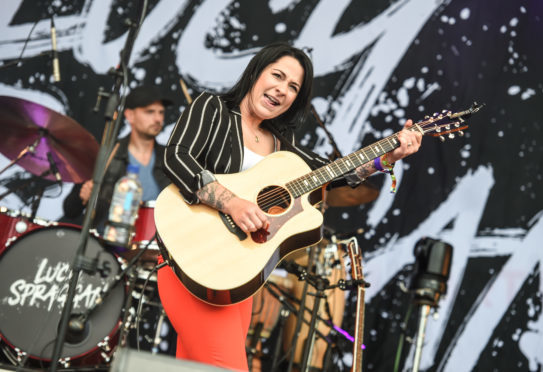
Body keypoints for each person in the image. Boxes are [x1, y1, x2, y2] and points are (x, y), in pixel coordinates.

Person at [157, 42, 422, 371]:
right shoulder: (213, 108)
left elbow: (336, 171)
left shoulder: (283, 147)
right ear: (256, 72)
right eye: (277, 76)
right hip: (190, 258)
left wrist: (386, 157)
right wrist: (232, 203)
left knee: (195, 367)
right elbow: (176, 157)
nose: (281, 89)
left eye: (293, 87)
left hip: (237, 275)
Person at [62, 85, 173, 231]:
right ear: (130, 115)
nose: (158, 119)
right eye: (150, 112)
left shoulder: (171, 159)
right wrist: (82, 197)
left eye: (161, 112)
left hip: (156, 246)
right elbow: (70, 210)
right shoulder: (107, 154)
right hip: (109, 243)